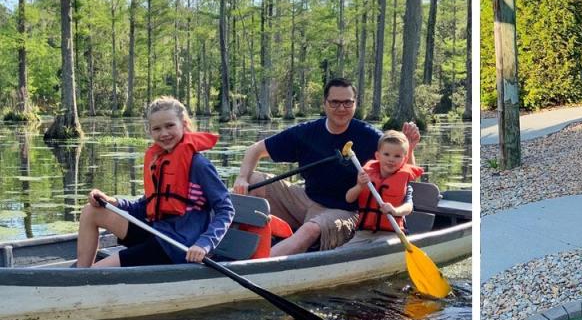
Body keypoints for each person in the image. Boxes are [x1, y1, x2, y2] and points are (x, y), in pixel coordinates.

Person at [232, 78, 421, 255]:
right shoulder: (307, 132)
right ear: (325, 104)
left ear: (355, 104)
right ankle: (229, 242)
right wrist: (241, 177)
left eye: (347, 102)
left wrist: (410, 148)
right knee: (252, 180)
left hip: (346, 211)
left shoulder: (371, 136)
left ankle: (254, 267)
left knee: (310, 229)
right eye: (335, 102)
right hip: (307, 200)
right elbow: (255, 149)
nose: (341, 108)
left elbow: (405, 175)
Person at [76, 96, 234, 267]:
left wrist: (204, 243)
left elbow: (226, 210)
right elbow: (145, 206)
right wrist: (112, 201)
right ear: (150, 131)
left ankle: (84, 280)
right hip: (155, 232)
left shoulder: (199, 165)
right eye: (157, 128)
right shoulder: (159, 161)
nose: (164, 133)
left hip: (178, 247)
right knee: (91, 211)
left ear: (184, 124)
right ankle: (79, 274)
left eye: (170, 125)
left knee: (98, 271)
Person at [346, 130, 423, 232]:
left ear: (404, 159)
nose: (391, 159)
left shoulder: (405, 184)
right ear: (378, 156)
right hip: (363, 232)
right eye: (386, 154)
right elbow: (349, 198)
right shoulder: (366, 178)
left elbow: (408, 207)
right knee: (351, 247)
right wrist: (359, 186)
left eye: (397, 156)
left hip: (392, 234)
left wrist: (395, 211)